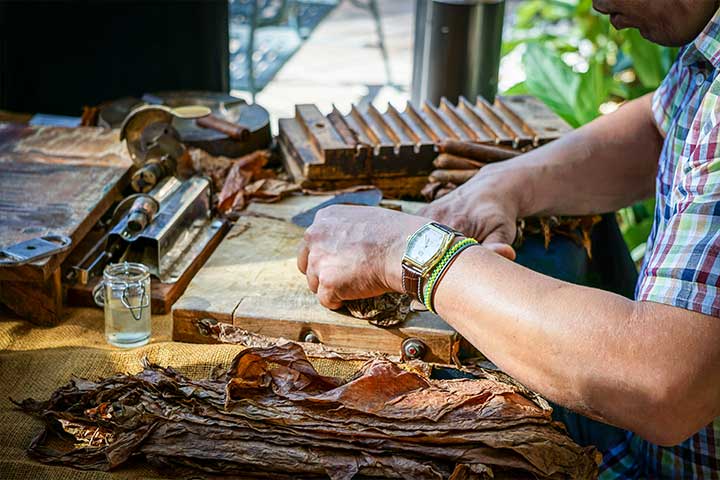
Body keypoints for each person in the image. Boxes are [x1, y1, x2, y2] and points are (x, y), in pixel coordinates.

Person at [298, 0, 720, 477]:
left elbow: (664, 386)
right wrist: (504, 185)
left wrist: (405, 250)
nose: (598, 4)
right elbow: (661, 128)